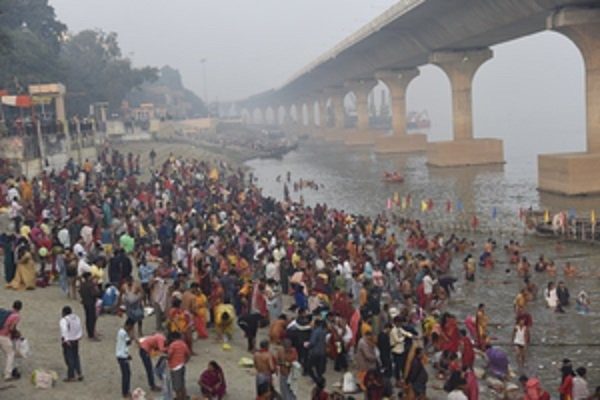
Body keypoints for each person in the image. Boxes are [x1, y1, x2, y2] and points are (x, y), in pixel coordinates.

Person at [60, 306, 83, 382]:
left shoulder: (64, 320)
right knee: (76, 356)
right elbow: (79, 327)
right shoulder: (76, 318)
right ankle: (79, 373)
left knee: (69, 358)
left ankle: (71, 375)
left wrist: (66, 340)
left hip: (68, 340)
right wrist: (79, 336)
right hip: (76, 339)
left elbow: (64, 330)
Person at [0, 300, 22, 380]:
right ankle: (7, 374)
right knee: (10, 354)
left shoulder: (6, 313)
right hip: (4, 336)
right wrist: (17, 333)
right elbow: (12, 328)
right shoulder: (16, 316)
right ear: (20, 308)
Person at [167, 331, 191, 400]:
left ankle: (179, 398)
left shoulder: (173, 345)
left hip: (175, 367)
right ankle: (184, 397)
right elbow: (188, 354)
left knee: (177, 387)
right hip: (182, 366)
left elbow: (169, 356)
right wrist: (185, 361)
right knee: (182, 384)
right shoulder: (183, 344)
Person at [116, 318, 135, 398]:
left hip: (123, 355)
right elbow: (128, 342)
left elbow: (124, 345)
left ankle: (126, 390)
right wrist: (132, 336)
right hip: (122, 357)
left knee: (127, 374)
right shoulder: (123, 333)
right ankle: (125, 392)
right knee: (126, 374)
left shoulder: (121, 332)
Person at [79, 272, 100, 340]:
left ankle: (89, 333)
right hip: (91, 303)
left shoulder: (82, 285)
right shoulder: (91, 285)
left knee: (88, 318)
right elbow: (95, 294)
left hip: (85, 303)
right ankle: (92, 335)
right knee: (92, 319)